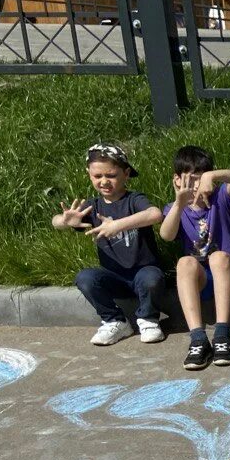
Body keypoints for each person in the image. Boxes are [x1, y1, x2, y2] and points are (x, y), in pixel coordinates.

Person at [53, 143, 165, 346]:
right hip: (114, 277)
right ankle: (115, 321)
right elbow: (56, 221)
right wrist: (65, 221)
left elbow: (155, 214)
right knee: (85, 277)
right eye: (97, 176)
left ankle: (148, 319)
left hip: (143, 271)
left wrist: (117, 226)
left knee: (152, 277)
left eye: (111, 175)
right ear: (89, 174)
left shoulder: (134, 199)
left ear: (126, 173)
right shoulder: (92, 206)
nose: (104, 181)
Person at [159, 146, 230, 371]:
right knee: (184, 262)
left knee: (218, 257)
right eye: (192, 179)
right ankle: (198, 339)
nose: (198, 185)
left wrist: (213, 176)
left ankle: (222, 335)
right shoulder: (174, 208)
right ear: (177, 180)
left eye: (201, 178)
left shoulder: (221, 197)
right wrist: (179, 204)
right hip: (203, 278)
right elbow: (166, 235)